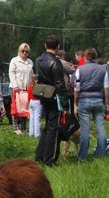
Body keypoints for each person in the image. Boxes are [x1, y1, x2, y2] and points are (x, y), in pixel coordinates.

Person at [34, 35, 69, 166]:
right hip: (54, 98)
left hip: (43, 95)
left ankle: (39, 156)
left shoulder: (38, 60)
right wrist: (65, 104)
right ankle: (50, 159)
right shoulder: (55, 62)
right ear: (58, 47)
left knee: (47, 127)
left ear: (45, 45)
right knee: (53, 129)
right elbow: (60, 84)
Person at [74, 47, 109, 160]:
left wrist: (75, 103)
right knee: (101, 129)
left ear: (84, 57)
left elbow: (77, 89)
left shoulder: (80, 69)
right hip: (99, 100)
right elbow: (106, 88)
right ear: (95, 56)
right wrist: (107, 103)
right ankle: (102, 154)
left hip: (84, 100)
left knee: (85, 130)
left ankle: (83, 156)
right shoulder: (103, 69)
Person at [9, 43, 33, 134]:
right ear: (19, 51)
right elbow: (12, 73)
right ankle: (16, 128)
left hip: (26, 89)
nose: (25, 53)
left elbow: (31, 75)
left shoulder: (30, 62)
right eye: (23, 51)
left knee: (24, 109)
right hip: (17, 88)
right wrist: (15, 86)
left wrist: (31, 86)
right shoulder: (14, 61)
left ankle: (23, 127)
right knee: (16, 108)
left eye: (26, 51)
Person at [57, 49, 76, 114]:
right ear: (62, 55)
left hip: (55, 85)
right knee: (67, 101)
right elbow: (71, 70)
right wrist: (72, 66)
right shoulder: (63, 62)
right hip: (63, 84)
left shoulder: (53, 60)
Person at [28, 73, 42, 138]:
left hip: (31, 101)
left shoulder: (30, 86)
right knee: (37, 118)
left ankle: (31, 133)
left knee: (32, 118)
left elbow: (28, 95)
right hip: (37, 101)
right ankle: (37, 134)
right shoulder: (38, 86)